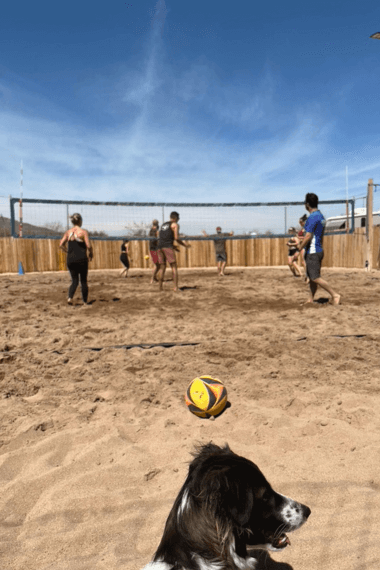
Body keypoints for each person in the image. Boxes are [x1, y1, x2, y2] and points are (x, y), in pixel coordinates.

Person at [293, 193, 340, 305]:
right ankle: (310, 299)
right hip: (318, 250)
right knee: (312, 277)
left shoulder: (312, 218)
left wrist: (299, 248)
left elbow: (308, 236)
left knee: (314, 278)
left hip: (313, 252)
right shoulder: (321, 216)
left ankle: (335, 295)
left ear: (307, 204)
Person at [59, 213, 93, 305]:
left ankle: (70, 297)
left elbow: (61, 244)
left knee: (74, 280)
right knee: (83, 281)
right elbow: (88, 245)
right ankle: (85, 301)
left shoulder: (68, 232)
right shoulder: (83, 232)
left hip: (70, 259)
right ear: (80, 221)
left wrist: (67, 251)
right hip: (81, 259)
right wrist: (91, 253)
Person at [157, 211, 190, 292]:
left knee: (162, 267)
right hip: (167, 247)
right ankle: (175, 287)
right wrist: (185, 245)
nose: (178, 220)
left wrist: (174, 247)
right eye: (178, 218)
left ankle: (160, 288)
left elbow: (164, 237)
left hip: (159, 247)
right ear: (175, 218)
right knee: (174, 267)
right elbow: (176, 238)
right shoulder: (175, 224)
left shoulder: (163, 224)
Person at [148, 219, 160, 284]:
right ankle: (152, 279)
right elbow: (157, 240)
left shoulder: (151, 230)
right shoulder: (155, 231)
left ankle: (154, 277)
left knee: (158, 265)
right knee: (157, 265)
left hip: (152, 248)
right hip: (154, 249)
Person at [297, 214, 308, 281]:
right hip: (304, 246)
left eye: (300, 223)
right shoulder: (303, 228)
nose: (300, 224)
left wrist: (300, 238)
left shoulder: (306, 228)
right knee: (303, 262)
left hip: (307, 246)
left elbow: (308, 237)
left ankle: (308, 275)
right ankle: (307, 275)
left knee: (305, 261)